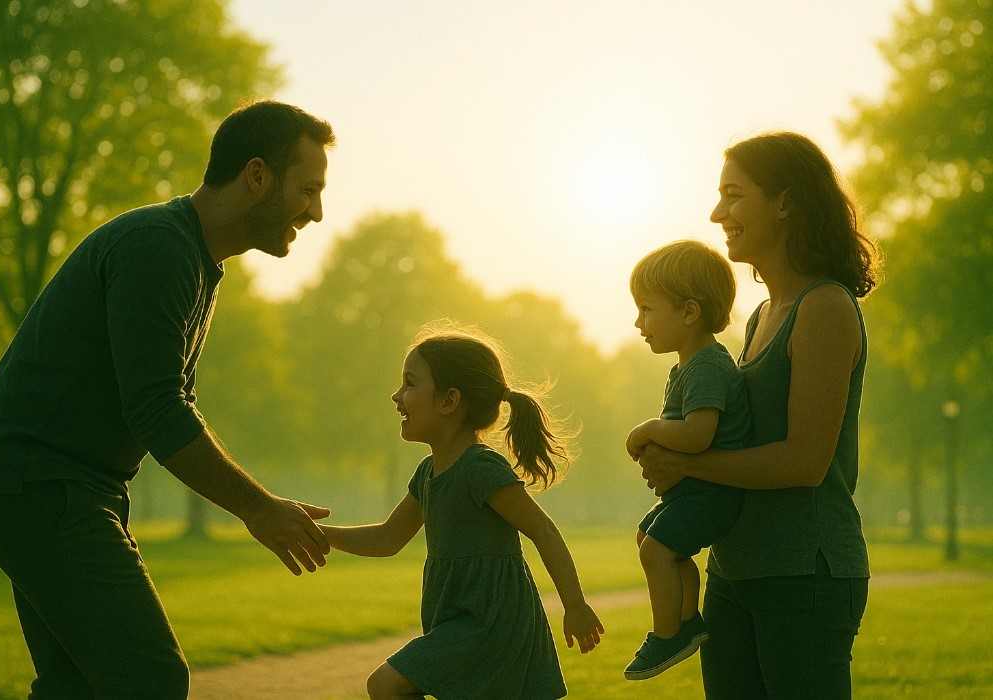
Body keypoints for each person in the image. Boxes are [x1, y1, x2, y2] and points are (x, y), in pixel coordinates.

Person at [0, 100, 336, 698]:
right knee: (148, 679)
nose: (316, 212)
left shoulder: (193, 258)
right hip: (42, 485)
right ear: (257, 176)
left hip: (51, 486)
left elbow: (161, 400)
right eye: (307, 189)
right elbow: (158, 408)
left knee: (78, 686)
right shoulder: (159, 246)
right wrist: (259, 508)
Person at [639, 131, 880, 698]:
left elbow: (804, 462)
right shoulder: (763, 314)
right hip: (735, 571)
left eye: (734, 195)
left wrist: (686, 464)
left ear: (785, 202)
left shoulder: (824, 307)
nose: (718, 212)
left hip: (805, 576)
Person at [319, 327, 604, 700]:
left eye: (409, 383)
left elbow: (543, 530)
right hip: (456, 619)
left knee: (386, 684)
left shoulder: (479, 467)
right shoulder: (427, 473)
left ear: (449, 400)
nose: (396, 396)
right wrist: (320, 534)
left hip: (490, 625)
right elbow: (388, 538)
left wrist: (575, 606)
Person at [622, 240, 751, 681]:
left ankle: (666, 635)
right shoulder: (687, 366)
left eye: (646, 309)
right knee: (648, 537)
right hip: (692, 493)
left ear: (689, 312)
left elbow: (699, 436)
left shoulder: (708, 367)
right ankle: (687, 620)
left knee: (658, 549)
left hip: (712, 495)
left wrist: (650, 429)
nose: (639, 322)